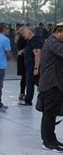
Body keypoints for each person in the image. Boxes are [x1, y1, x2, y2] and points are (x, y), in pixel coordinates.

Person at [38, 22, 63, 151]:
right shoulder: (53, 43)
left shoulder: (53, 42)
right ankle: (48, 142)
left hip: (53, 84)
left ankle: (51, 139)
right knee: (49, 114)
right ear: (59, 32)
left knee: (51, 114)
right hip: (51, 84)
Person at [20, 25, 43, 107]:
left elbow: (38, 54)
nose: (23, 34)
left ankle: (47, 99)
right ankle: (28, 100)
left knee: (40, 85)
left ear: (30, 31)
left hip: (34, 67)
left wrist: (36, 68)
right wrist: (24, 51)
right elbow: (31, 49)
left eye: (24, 32)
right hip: (30, 66)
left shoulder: (35, 40)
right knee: (30, 84)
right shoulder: (30, 40)